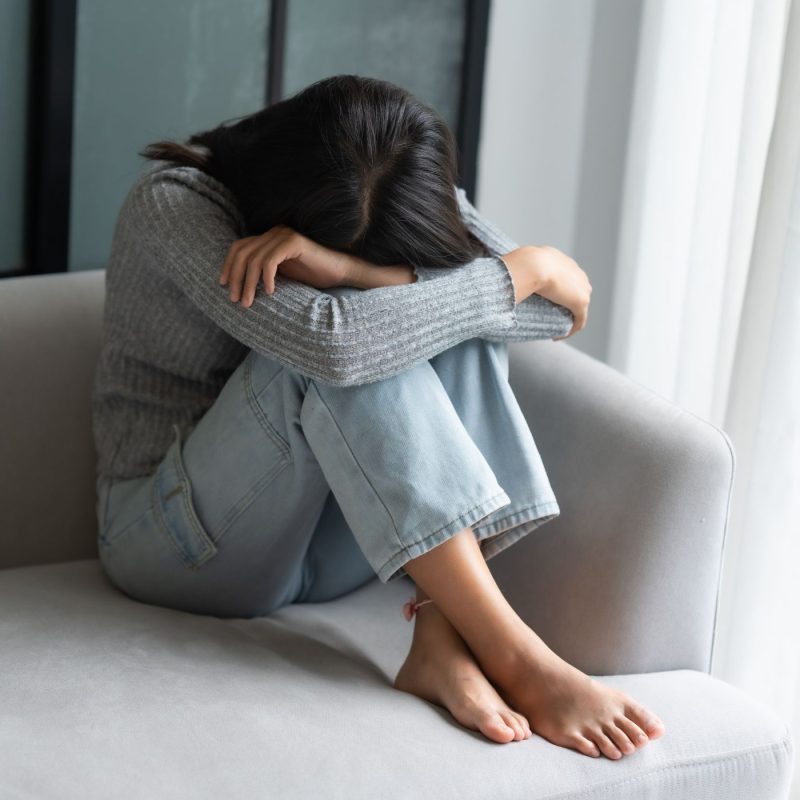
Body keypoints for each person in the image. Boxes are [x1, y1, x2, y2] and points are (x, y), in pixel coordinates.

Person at [92, 74, 665, 757]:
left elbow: (548, 313)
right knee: (341, 343)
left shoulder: (405, 185)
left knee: (449, 318)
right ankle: (515, 655)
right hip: (174, 539)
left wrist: (354, 273)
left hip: (342, 544)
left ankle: (439, 638)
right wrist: (529, 265)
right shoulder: (175, 207)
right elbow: (334, 342)